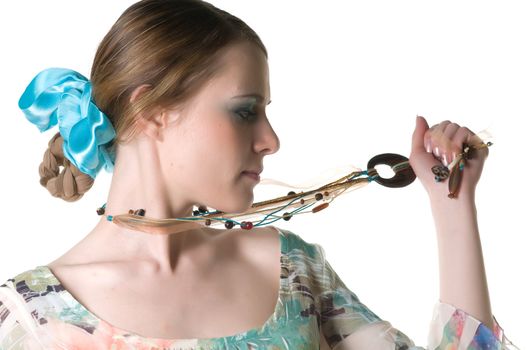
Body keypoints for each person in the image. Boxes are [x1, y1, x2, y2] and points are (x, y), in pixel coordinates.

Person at [0, 0, 517, 349]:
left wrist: (453, 207)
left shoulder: (291, 272)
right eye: (245, 111)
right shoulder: (28, 323)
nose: (271, 140)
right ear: (153, 111)